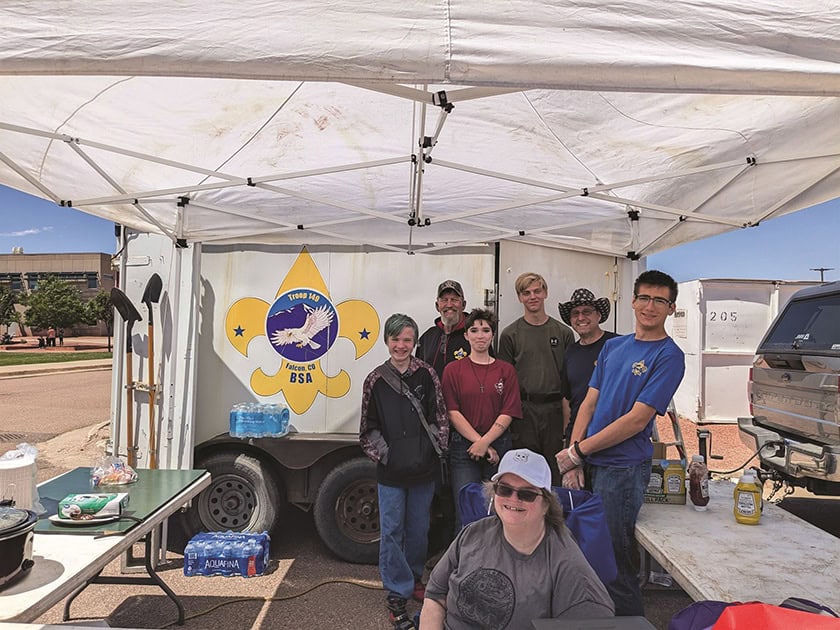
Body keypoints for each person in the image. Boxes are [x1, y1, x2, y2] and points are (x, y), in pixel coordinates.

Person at [556, 270, 685, 617]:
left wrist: (577, 452)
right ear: (633, 301)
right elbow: (588, 403)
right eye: (644, 297)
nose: (650, 306)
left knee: (613, 557)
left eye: (660, 300)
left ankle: (629, 620)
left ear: (671, 308)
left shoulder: (669, 356)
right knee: (583, 548)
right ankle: (596, 617)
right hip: (590, 462)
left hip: (623, 469)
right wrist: (575, 457)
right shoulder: (614, 346)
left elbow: (637, 420)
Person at [420, 448, 615, 628]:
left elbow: (595, 621)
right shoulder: (472, 533)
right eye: (504, 489)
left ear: (547, 504)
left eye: (527, 494)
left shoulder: (566, 564)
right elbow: (435, 596)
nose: (513, 499)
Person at [359, 313, 449, 630]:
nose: (401, 345)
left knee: (418, 529)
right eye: (396, 339)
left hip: (423, 472)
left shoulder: (426, 375)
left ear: (414, 343)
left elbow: (440, 418)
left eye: (407, 340)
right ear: (387, 341)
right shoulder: (375, 380)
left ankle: (414, 579)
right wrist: (387, 455)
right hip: (392, 473)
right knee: (392, 531)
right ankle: (397, 591)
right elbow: (367, 429)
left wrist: (431, 451)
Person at [442, 308, 521, 531]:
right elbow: (452, 412)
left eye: (485, 330)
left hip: (499, 445)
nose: (480, 335)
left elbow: (508, 412)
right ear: (466, 335)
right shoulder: (453, 370)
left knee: (499, 510)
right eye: (474, 330)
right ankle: (464, 564)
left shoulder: (506, 370)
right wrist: (481, 444)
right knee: (466, 511)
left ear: (492, 335)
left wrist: (486, 443)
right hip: (463, 450)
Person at [498, 272, 573, 484]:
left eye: (537, 291)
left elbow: (570, 381)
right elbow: (504, 382)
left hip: (555, 412)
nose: (532, 296)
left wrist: (568, 426)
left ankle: (555, 516)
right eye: (526, 292)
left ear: (545, 293)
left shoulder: (563, 332)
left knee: (555, 471)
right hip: (524, 412)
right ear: (520, 297)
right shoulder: (510, 335)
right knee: (525, 472)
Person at [558, 288, 618, 447]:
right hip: (577, 437)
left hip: (610, 436)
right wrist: (567, 436)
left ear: (598, 315)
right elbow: (567, 398)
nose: (580, 318)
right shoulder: (571, 352)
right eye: (575, 313)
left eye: (587, 312)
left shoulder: (617, 345)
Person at [416, 280, 471, 379]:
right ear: (437, 306)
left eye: (454, 299)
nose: (449, 305)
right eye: (444, 300)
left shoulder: (475, 336)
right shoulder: (427, 338)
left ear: (463, 305)